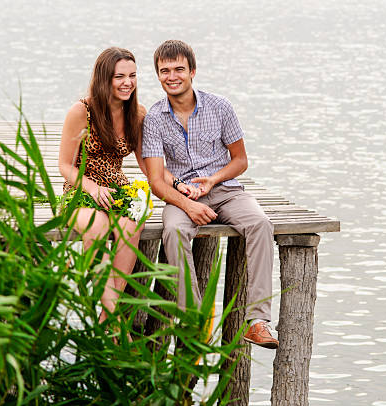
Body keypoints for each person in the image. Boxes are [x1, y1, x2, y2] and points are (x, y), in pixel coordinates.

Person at [142, 40, 279, 349]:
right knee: (174, 230)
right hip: (181, 197)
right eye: (164, 71)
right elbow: (155, 180)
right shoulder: (153, 119)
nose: (172, 76)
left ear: (192, 71)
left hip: (226, 191)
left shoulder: (220, 107)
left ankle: (257, 322)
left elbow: (241, 161)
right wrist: (188, 204)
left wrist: (213, 180)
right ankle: (194, 318)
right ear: (158, 75)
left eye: (179, 69)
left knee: (260, 224)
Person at [58, 47, 147, 327]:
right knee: (97, 227)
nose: (127, 82)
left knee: (133, 223)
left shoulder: (138, 113)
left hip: (118, 189)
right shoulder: (81, 111)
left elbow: (149, 166)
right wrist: (92, 189)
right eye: (119, 76)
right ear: (103, 78)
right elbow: (65, 166)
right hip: (81, 190)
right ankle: (115, 321)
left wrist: (181, 187)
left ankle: (108, 318)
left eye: (132, 75)